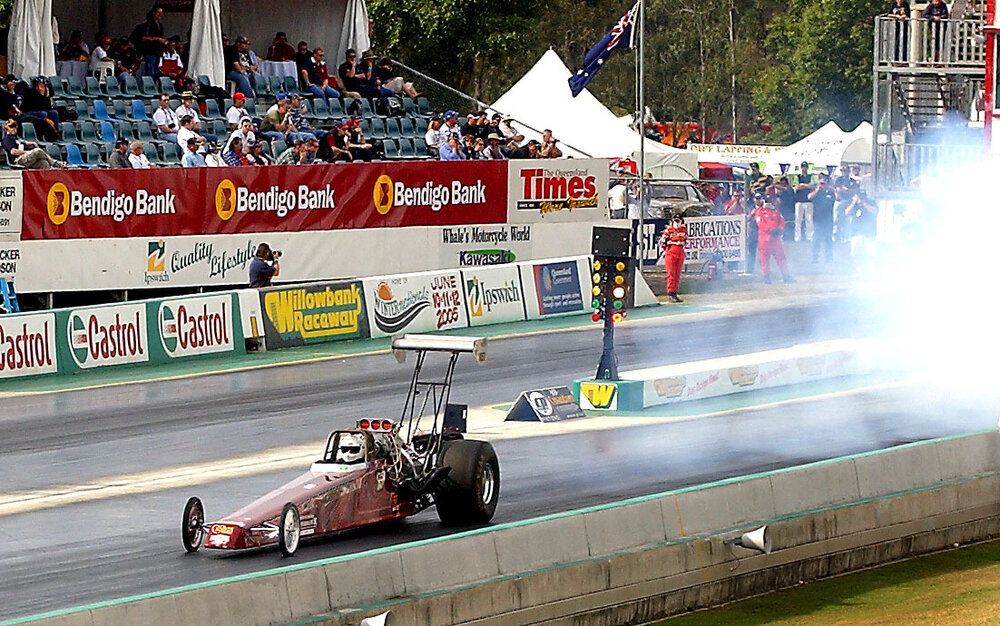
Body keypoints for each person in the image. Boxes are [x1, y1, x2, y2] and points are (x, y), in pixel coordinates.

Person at [754, 191, 794, 284]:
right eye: (767, 201)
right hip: (765, 239)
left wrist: (780, 229)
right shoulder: (760, 212)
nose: (769, 204)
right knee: (764, 259)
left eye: (770, 201)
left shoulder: (776, 212)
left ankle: (786, 275)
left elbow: (782, 221)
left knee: (781, 258)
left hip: (776, 239)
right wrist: (771, 230)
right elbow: (761, 224)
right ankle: (766, 276)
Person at [845, 189, 878, 274]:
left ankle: (871, 272)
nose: (861, 198)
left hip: (869, 233)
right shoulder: (854, 204)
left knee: (870, 254)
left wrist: (864, 203)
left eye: (862, 197)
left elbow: (875, 211)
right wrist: (853, 203)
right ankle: (858, 271)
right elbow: (847, 212)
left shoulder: (871, 202)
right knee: (855, 253)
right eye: (859, 196)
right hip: (856, 232)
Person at [808, 173, 837, 263]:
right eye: (821, 182)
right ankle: (814, 257)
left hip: (828, 219)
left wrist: (832, 189)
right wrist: (817, 189)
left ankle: (828, 258)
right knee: (816, 239)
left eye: (825, 182)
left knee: (828, 239)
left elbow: (838, 198)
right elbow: (809, 197)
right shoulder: (817, 192)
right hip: (818, 219)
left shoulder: (831, 192)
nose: (823, 184)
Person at [660, 212, 688, 303]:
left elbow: (685, 240)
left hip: (680, 251)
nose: (677, 222)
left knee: (677, 274)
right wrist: (666, 251)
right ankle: (670, 293)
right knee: (671, 274)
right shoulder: (668, 230)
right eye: (675, 220)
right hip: (671, 252)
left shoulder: (684, 230)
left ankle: (675, 292)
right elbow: (662, 242)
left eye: (679, 220)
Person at [135, 6, 166, 78]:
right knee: (150, 72)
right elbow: (143, 38)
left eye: (161, 13)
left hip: (157, 52)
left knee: (155, 72)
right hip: (150, 51)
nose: (160, 14)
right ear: (153, 13)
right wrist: (157, 39)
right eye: (158, 12)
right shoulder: (148, 25)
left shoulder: (159, 25)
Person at [792, 162, 815, 242]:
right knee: (798, 220)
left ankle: (810, 237)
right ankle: (797, 237)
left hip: (808, 201)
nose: (804, 168)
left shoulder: (811, 176)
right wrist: (806, 185)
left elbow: (813, 186)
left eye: (805, 167)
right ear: (801, 168)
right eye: (803, 167)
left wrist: (803, 185)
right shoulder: (797, 176)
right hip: (799, 201)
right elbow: (796, 187)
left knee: (809, 219)